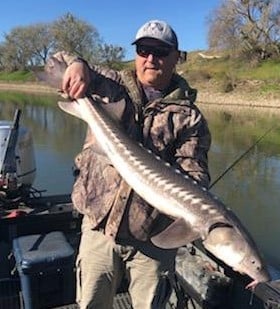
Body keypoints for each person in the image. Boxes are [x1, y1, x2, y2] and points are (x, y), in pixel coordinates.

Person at [55, 20, 211, 309]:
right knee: (90, 303)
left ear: (177, 57)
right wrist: (76, 64)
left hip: (153, 240)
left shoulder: (190, 118)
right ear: (136, 54)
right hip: (98, 227)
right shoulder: (109, 84)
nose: (151, 58)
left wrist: (195, 202)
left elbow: (195, 170)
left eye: (161, 51)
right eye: (144, 49)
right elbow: (58, 59)